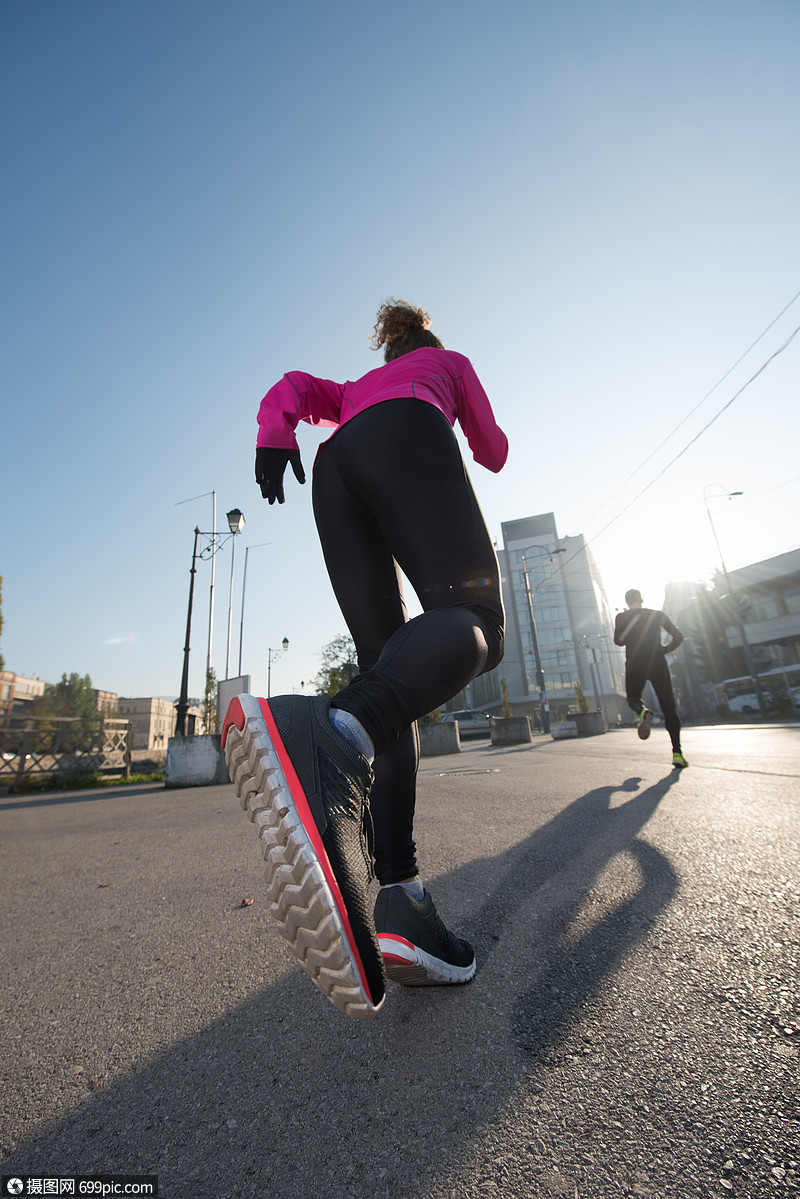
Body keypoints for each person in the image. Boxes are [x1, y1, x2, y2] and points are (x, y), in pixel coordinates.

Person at [222, 299, 507, 1020]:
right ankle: (334, 730)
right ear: (427, 344)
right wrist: (465, 418)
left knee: (389, 674)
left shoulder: (353, 389)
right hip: (409, 435)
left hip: (335, 465)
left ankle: (403, 898)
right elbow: (494, 450)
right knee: (475, 619)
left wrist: (274, 432)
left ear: (387, 352)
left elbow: (294, 386)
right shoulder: (447, 364)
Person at [613, 589, 688, 769]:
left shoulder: (621, 617)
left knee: (633, 698)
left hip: (634, 662)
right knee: (669, 708)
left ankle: (642, 712)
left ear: (627, 602)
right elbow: (678, 637)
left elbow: (618, 641)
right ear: (642, 599)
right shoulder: (657, 615)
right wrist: (664, 650)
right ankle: (677, 754)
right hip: (657, 661)